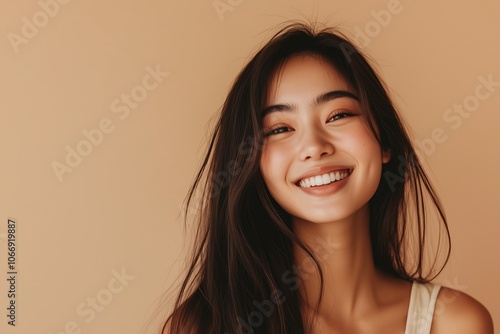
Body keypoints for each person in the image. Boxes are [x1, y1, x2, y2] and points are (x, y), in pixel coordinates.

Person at [163, 22, 493, 334]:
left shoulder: (454, 323)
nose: (314, 147)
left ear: (385, 142)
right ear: (250, 163)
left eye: (338, 115)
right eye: (280, 129)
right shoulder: (203, 326)